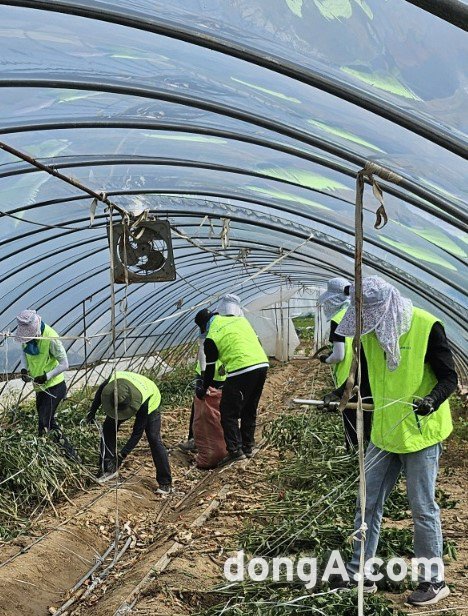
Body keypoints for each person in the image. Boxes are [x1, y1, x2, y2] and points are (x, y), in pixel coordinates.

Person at [324, 276, 457, 606]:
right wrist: (340, 395)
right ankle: (360, 572)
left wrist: (432, 399)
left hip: (420, 433)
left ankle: (433, 580)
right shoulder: (370, 334)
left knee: (422, 507)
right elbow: (366, 379)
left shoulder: (426, 326)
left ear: (385, 309)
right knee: (366, 501)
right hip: (384, 432)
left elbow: (450, 377)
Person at [194, 308, 269, 465]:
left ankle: (235, 450)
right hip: (261, 364)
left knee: (228, 412)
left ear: (203, 326)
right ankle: (248, 446)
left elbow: (209, 369)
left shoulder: (211, 336)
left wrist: (203, 388)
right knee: (249, 407)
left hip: (241, 369)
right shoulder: (238, 320)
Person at [86, 370, 172, 494]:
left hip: (151, 399)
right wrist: (92, 412)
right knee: (108, 428)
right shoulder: (113, 384)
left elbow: (137, 433)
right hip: (124, 397)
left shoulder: (144, 402)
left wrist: (121, 457)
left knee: (154, 438)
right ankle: (107, 468)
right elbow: (100, 391)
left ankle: (165, 482)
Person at [15, 309, 80, 462]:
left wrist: (46, 376)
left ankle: (70, 457)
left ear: (36, 325)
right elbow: (24, 353)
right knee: (45, 422)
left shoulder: (51, 338)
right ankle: (52, 456)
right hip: (40, 388)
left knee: (45, 422)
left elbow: (65, 364)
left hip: (54, 386)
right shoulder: (27, 337)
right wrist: (24, 370)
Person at [317, 277, 372, 448]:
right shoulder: (356, 313)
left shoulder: (339, 319)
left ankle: (354, 453)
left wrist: (326, 359)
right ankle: (364, 449)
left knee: (351, 418)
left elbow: (339, 354)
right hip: (365, 375)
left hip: (349, 377)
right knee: (366, 415)